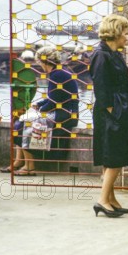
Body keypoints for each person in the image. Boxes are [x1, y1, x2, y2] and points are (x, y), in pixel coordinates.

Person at [90, 14, 128, 218]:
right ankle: (102, 200)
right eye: (125, 32)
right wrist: (113, 111)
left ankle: (110, 198)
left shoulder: (112, 53)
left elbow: (120, 82)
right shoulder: (102, 55)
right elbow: (101, 87)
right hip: (112, 111)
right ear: (116, 33)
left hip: (118, 108)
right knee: (114, 156)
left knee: (114, 155)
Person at [15, 46, 79, 176]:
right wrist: (38, 104)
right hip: (65, 111)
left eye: (39, 62)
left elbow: (54, 102)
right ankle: (20, 162)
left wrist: (40, 109)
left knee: (24, 125)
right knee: (22, 123)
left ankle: (29, 166)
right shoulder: (59, 72)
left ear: (43, 61)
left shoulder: (57, 75)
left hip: (64, 114)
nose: (39, 65)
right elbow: (55, 97)